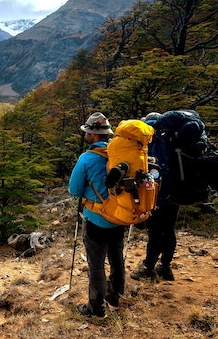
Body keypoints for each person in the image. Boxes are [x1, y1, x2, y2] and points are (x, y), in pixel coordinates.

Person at [68, 112, 125, 317]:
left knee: (96, 264)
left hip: (96, 220)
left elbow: (74, 190)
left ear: (93, 135)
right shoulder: (120, 156)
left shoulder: (87, 158)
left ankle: (96, 307)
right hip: (119, 217)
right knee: (117, 257)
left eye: (88, 132)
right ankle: (116, 295)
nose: (86, 135)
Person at [131, 112, 177, 281]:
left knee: (155, 232)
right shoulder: (172, 139)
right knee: (169, 230)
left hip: (155, 195)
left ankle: (148, 267)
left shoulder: (148, 141)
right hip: (174, 193)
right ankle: (165, 266)